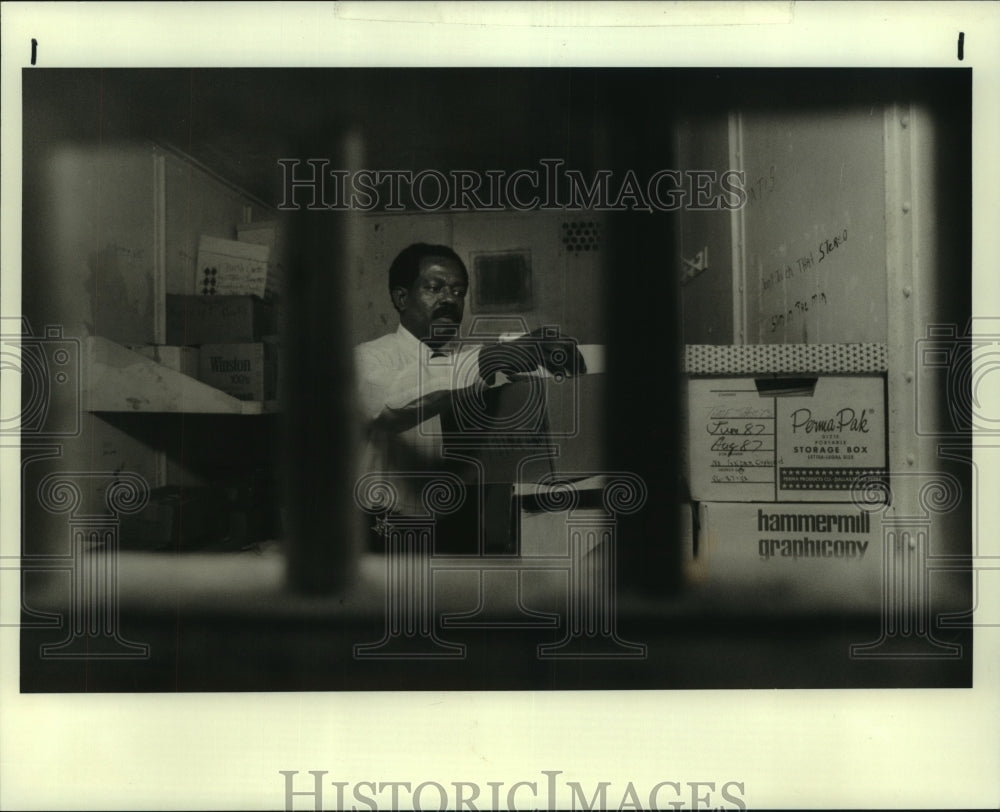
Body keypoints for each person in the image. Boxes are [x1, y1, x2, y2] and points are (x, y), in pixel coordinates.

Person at [353, 242, 585, 554]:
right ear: (402, 298)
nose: (450, 299)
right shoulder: (368, 359)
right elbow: (393, 406)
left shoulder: (472, 359)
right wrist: (491, 359)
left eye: (459, 291)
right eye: (435, 288)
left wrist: (554, 369)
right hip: (389, 531)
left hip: (460, 527)